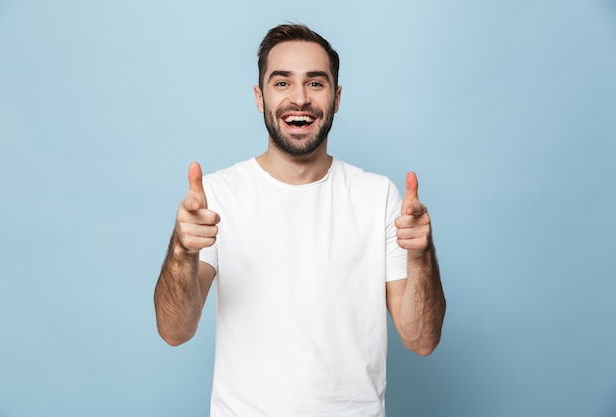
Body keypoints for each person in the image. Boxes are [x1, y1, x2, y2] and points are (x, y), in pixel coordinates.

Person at [154, 23, 446, 417]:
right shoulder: (217, 196)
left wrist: (422, 254)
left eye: (315, 83)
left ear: (337, 97)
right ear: (259, 98)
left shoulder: (378, 198)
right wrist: (181, 249)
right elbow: (175, 331)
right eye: (282, 83)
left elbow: (421, 339)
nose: (299, 99)